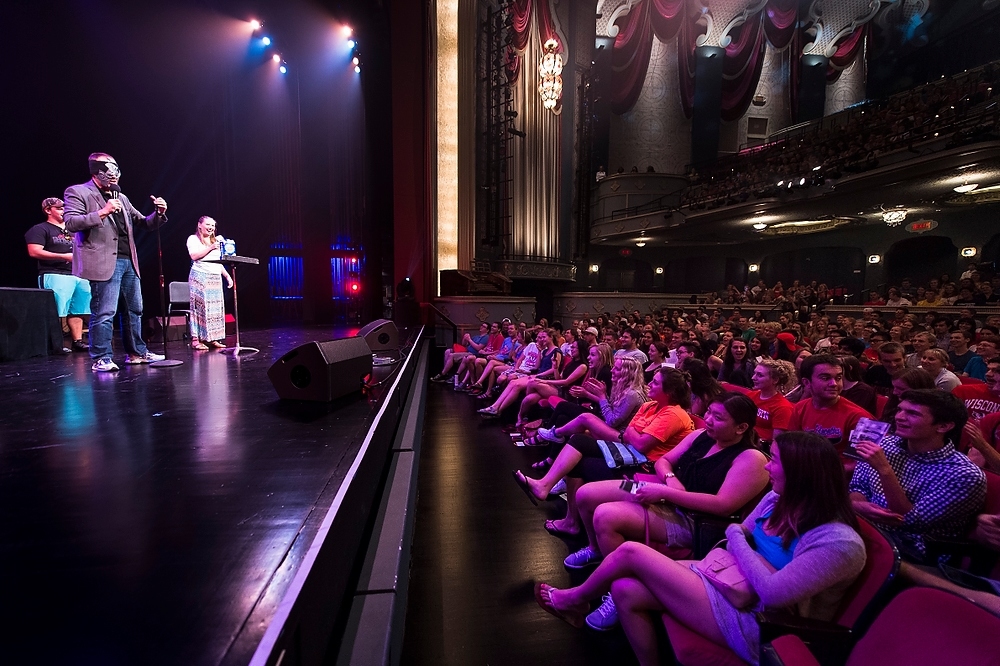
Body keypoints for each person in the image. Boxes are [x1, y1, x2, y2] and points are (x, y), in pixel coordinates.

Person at [535, 432, 866, 666]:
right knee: (624, 589)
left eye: (775, 462)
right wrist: (737, 540)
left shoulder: (838, 541)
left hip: (764, 622)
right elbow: (742, 534)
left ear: (802, 474)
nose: (767, 467)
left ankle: (574, 599)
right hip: (729, 580)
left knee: (630, 553)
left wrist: (736, 539)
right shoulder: (778, 499)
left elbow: (773, 591)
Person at [564, 393, 770, 629]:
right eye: (709, 413)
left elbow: (723, 506)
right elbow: (664, 461)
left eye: (718, 417)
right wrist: (671, 480)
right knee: (586, 494)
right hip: (666, 493)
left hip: (694, 520)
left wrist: (668, 493)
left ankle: (617, 589)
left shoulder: (751, 458)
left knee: (605, 515)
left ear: (741, 428)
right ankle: (596, 549)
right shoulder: (701, 436)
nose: (709, 420)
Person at [513, 367, 694, 529]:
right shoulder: (650, 405)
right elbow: (631, 431)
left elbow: (637, 440)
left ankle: (572, 523)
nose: (649, 384)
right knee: (578, 438)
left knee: (583, 436)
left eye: (655, 383)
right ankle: (545, 485)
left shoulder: (674, 413)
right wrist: (632, 434)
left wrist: (631, 432)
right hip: (628, 451)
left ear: (669, 392)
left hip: (644, 465)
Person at [850, 389, 987, 561]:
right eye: (900, 410)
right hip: (865, 528)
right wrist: (858, 506)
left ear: (943, 426)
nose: (899, 417)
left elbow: (908, 521)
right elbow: (857, 487)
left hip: (913, 552)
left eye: (912, 413)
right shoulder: (886, 443)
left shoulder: (964, 475)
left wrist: (885, 470)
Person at [63, 152, 167, 372]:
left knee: (135, 310)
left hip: (128, 260)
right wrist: (102, 212)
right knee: (104, 311)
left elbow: (143, 223)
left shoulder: (122, 197)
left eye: (116, 173)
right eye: (109, 173)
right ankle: (101, 357)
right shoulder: (78, 192)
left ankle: (136, 353)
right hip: (102, 261)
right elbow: (71, 223)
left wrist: (158, 213)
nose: (114, 177)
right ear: (96, 172)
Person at [24, 197, 90, 352]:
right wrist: (63, 257)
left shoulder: (74, 230)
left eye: (65, 207)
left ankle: (77, 340)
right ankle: (56, 343)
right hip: (55, 273)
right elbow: (34, 251)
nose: (64, 210)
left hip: (78, 273)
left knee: (78, 308)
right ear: (48, 210)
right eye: (60, 208)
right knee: (57, 310)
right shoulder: (40, 229)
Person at [786, 354, 871, 458]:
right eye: (825, 378)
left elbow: (862, 463)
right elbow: (792, 446)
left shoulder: (859, 417)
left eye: (838, 377)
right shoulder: (800, 408)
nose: (834, 383)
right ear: (807, 383)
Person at [185, 216, 232, 350]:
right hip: (200, 276)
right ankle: (196, 339)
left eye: (213, 225)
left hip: (215, 278)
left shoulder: (216, 241)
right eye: (208, 225)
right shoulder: (193, 239)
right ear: (200, 225)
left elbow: (217, 262)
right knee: (200, 308)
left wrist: (227, 276)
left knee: (215, 309)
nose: (211, 228)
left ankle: (212, 338)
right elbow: (194, 256)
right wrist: (211, 247)